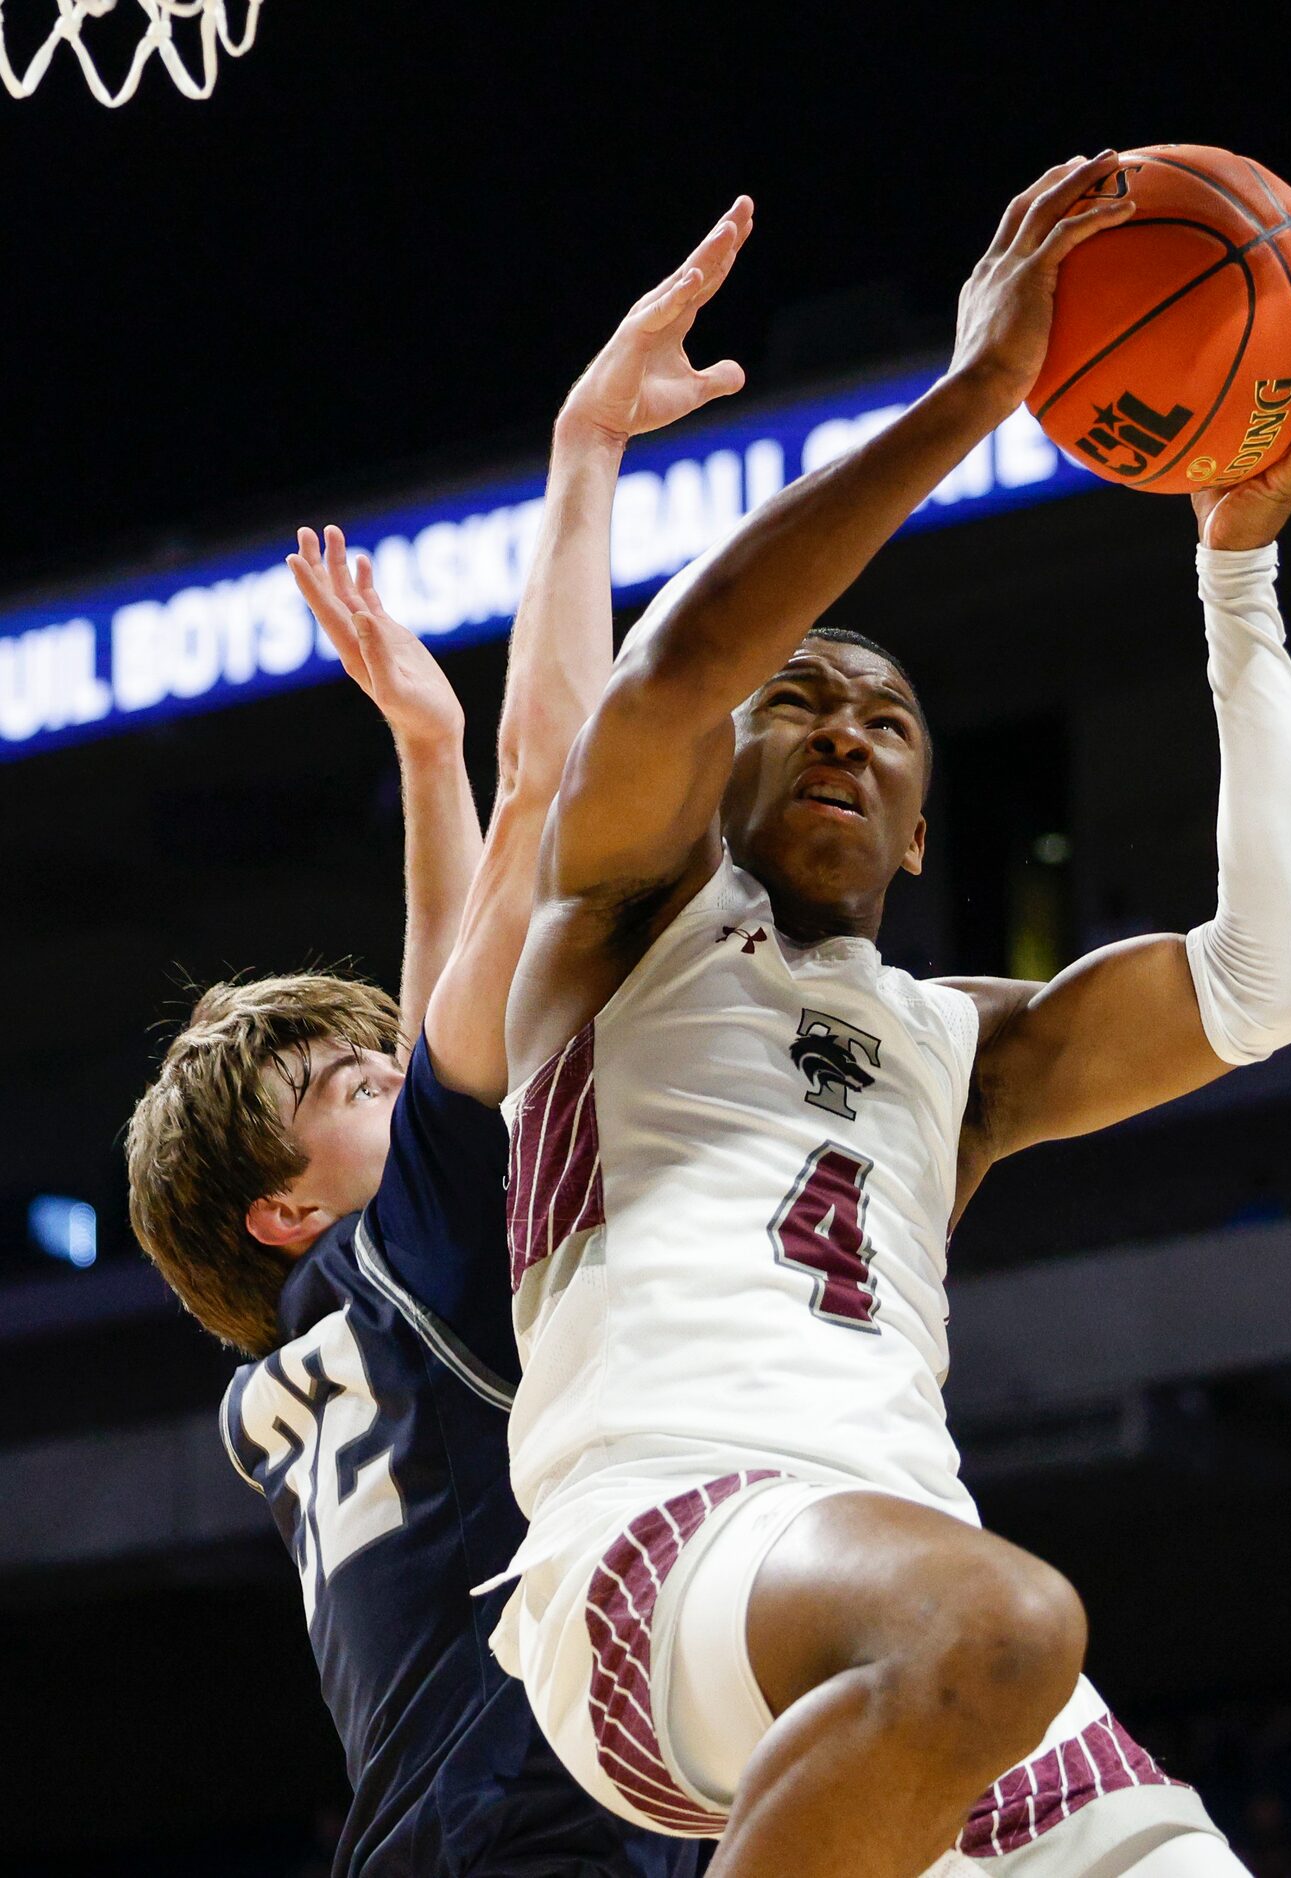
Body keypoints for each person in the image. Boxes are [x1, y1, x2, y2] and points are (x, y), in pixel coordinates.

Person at [489, 154, 1291, 1878]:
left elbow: (1283, 976)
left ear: (916, 828)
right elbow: (673, 674)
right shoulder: (617, 923)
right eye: (799, 698)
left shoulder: (964, 1048)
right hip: (656, 1549)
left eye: (886, 724)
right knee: (1001, 1620)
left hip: (898, 1593)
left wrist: (1239, 578)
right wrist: (979, 394)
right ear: (723, 756)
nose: (839, 728)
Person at [124, 200, 754, 1878]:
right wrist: (584, 445)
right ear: (283, 1207)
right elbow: (554, 797)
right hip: (535, 1835)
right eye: (351, 1088)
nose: (394, 1076)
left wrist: (425, 747)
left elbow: (437, 1032)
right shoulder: (387, 1272)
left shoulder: (310, 1353)